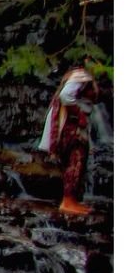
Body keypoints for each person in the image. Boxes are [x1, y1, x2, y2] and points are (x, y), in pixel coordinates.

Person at [38, 66, 97, 215]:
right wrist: (79, 113)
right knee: (76, 159)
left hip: (68, 125)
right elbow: (66, 95)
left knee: (73, 160)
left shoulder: (75, 76)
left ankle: (71, 199)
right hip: (71, 126)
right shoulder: (81, 75)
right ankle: (68, 201)